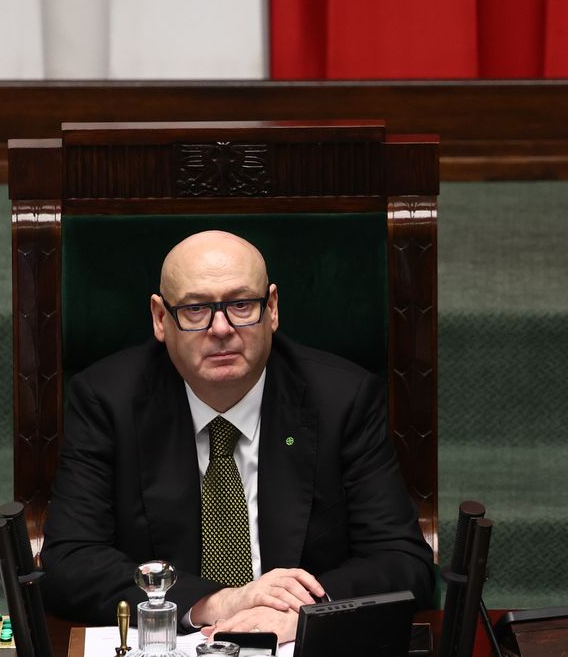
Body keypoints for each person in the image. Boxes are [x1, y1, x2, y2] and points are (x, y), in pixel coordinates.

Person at [40, 230, 433, 643]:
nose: (222, 328)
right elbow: (69, 561)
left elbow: (403, 560)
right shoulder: (106, 402)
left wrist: (306, 611)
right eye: (195, 309)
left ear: (273, 308)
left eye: (242, 304)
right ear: (160, 318)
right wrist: (216, 602)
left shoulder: (343, 400)